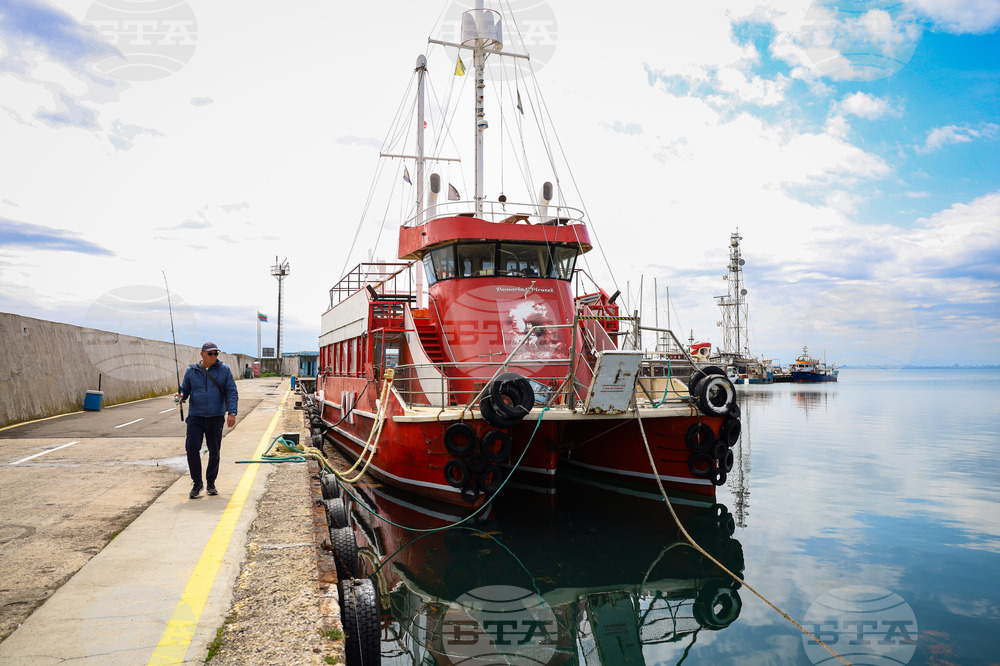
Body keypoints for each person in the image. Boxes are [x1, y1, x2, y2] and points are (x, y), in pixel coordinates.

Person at [176, 342, 239, 498]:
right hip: (196, 416)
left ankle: (211, 482)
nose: (214, 356)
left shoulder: (224, 370)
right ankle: (197, 483)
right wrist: (180, 396)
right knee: (192, 448)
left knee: (214, 451)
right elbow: (185, 389)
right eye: (210, 353)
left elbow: (231, 391)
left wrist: (232, 412)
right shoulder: (192, 370)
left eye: (216, 353)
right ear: (202, 354)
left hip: (216, 417)